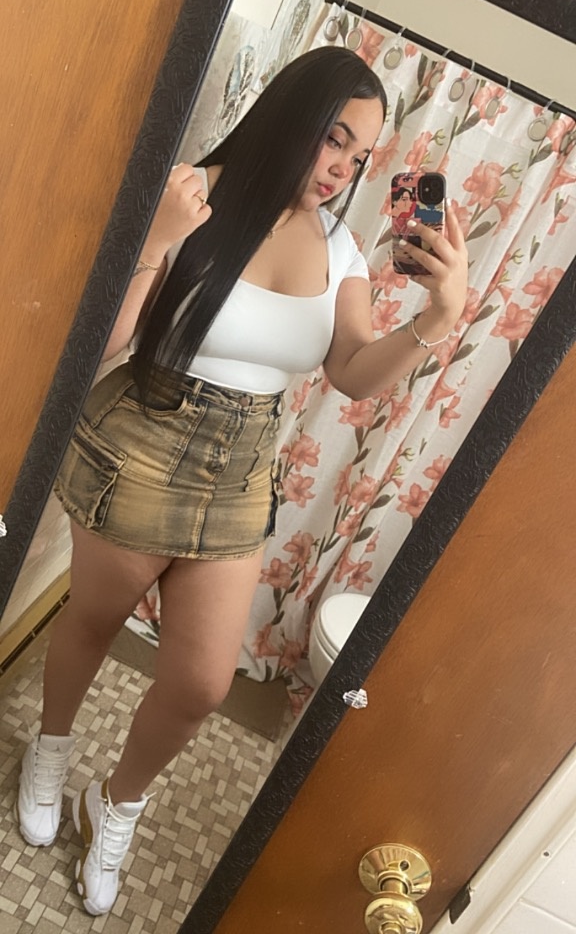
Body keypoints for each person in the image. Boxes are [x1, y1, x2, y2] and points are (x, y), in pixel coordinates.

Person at [16, 47, 468, 916]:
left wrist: (439, 319)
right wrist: (159, 239)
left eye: (359, 155)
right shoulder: (191, 195)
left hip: (241, 468)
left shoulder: (340, 249)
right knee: (94, 618)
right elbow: (104, 344)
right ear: (291, 114)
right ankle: (51, 750)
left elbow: (350, 373)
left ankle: (115, 803)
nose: (341, 168)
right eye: (333, 138)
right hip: (144, 435)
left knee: (201, 683)